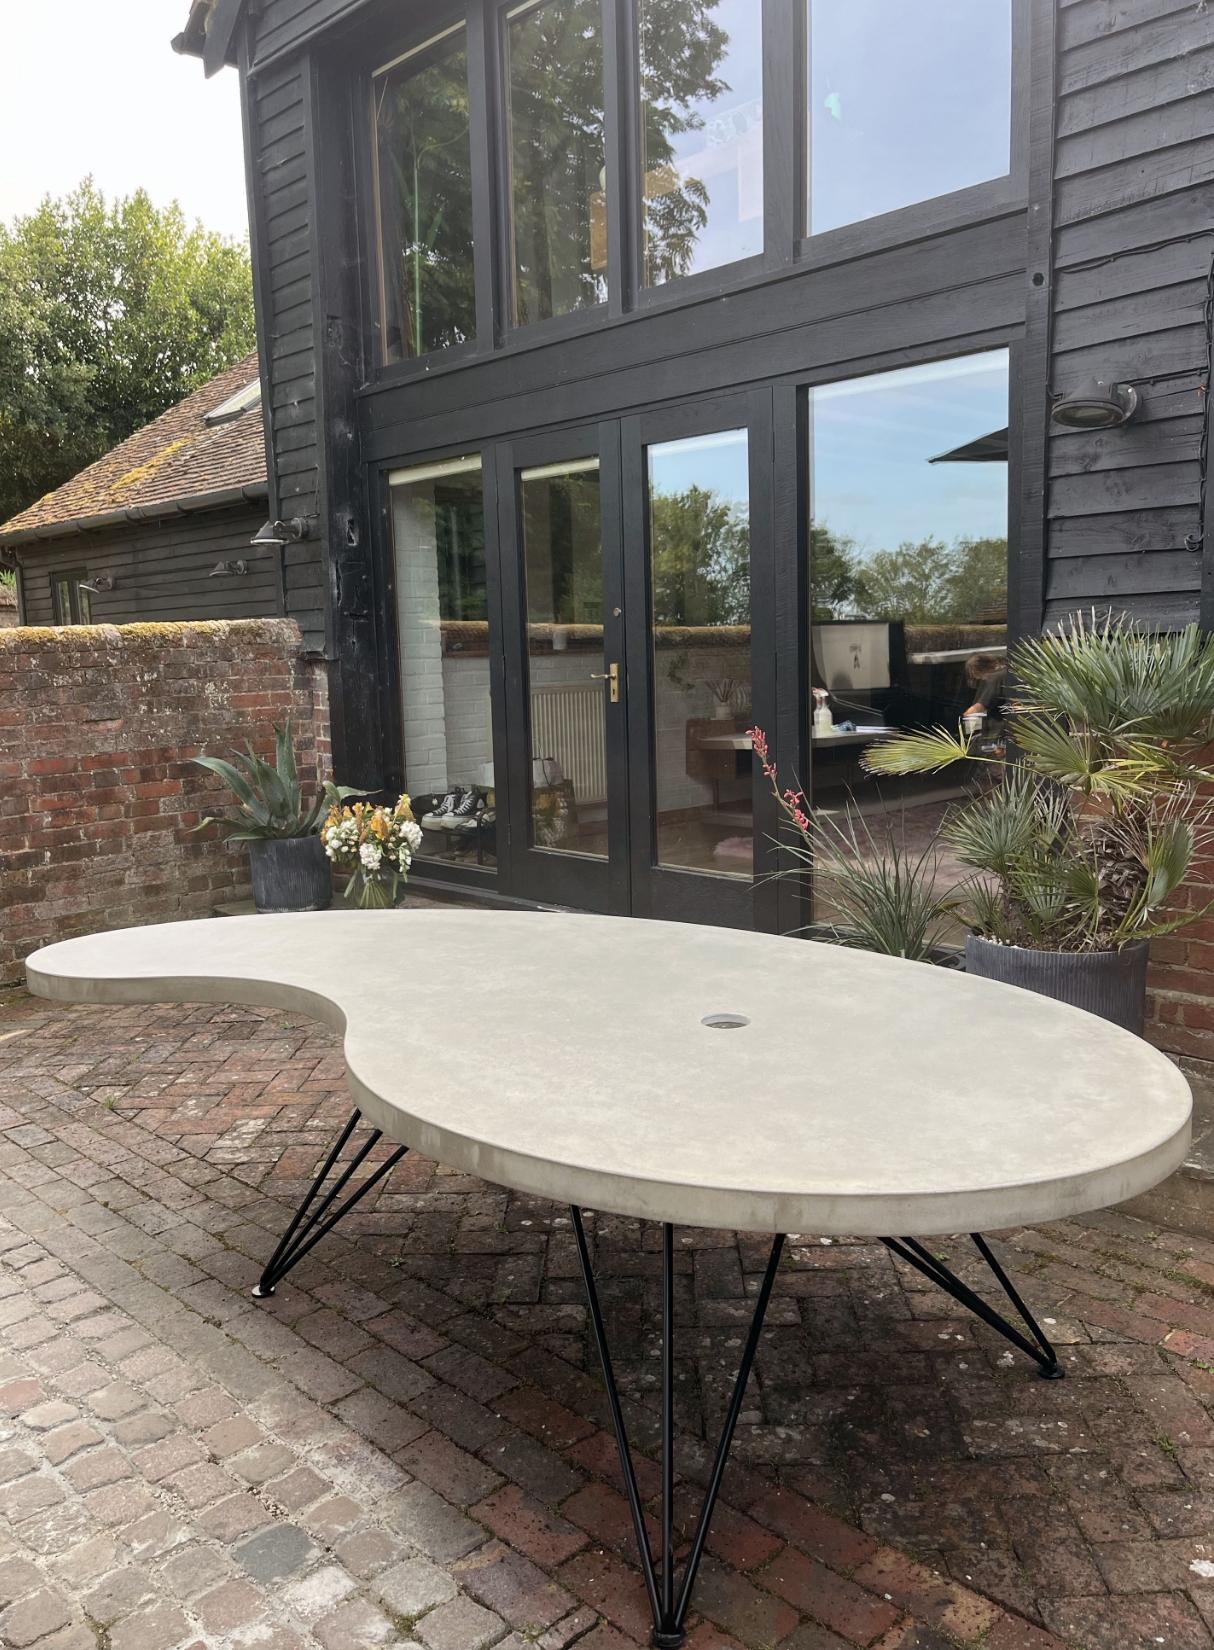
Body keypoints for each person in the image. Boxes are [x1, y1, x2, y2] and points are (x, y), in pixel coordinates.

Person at [964, 652, 1007, 718]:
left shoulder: (994, 678)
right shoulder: (1005, 672)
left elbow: (981, 705)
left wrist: (967, 714)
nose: (983, 679)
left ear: (978, 669)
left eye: (980, 677)